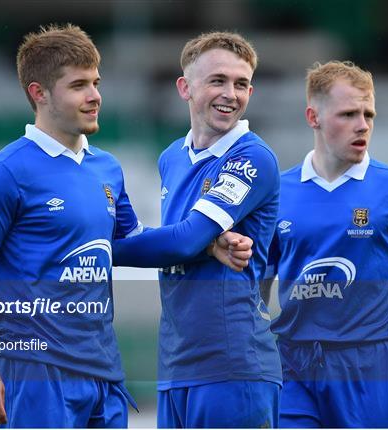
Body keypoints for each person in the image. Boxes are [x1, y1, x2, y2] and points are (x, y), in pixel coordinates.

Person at [0, 24, 251, 428]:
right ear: (39, 94)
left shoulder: (106, 168)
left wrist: (206, 245)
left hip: (103, 371)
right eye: (78, 86)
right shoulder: (6, 172)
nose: (94, 96)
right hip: (36, 371)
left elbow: (131, 242)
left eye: (96, 82)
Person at [263, 60, 388, 427]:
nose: (363, 125)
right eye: (349, 114)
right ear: (313, 117)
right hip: (291, 363)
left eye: (368, 114)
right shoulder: (277, 193)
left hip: (370, 365)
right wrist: (251, 354)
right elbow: (259, 287)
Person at [113, 32, 282, 428]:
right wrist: (207, 247)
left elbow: (184, 238)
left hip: (233, 365)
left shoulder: (252, 157)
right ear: (185, 88)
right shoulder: (172, 156)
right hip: (176, 365)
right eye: (218, 80)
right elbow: (183, 241)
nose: (231, 94)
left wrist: (92, 248)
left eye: (241, 84)